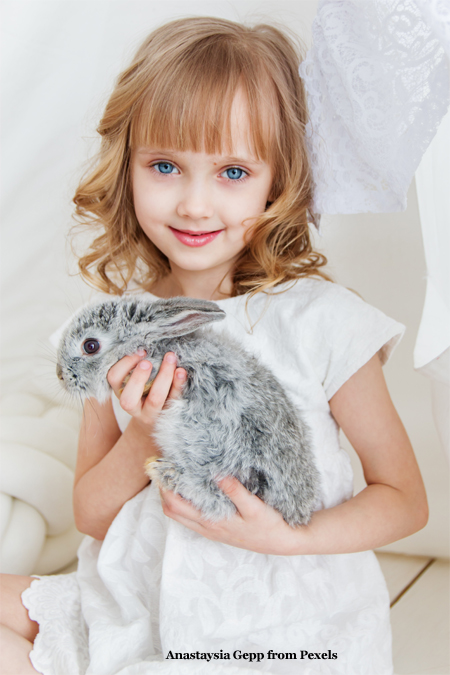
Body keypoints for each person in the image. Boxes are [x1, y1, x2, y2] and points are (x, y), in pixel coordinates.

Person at [0, 16, 428, 675]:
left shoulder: (321, 322)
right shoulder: (114, 330)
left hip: (277, 630)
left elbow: (404, 497)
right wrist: (144, 435)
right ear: (129, 166)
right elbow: (91, 514)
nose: (195, 204)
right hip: (138, 602)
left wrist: (291, 536)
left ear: (277, 180)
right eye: (166, 165)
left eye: (231, 171)